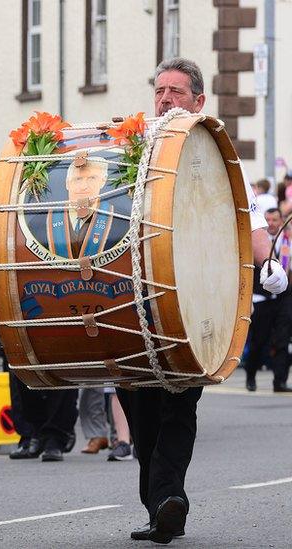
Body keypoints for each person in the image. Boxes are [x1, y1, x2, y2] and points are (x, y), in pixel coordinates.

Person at [116, 57, 286, 545]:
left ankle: (170, 502)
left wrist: (268, 266)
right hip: (134, 304)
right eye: (159, 91)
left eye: (175, 91)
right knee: (143, 415)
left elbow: (246, 220)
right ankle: (161, 508)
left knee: (177, 408)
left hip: (192, 307)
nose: (164, 98)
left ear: (198, 100)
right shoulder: (134, 147)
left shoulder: (216, 154)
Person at [244, 207, 292, 393]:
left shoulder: (287, 241)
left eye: (275, 220)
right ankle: (251, 376)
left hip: (283, 298)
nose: (272, 224)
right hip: (261, 298)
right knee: (259, 340)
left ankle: (279, 381)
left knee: (282, 339)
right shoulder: (255, 243)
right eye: (268, 220)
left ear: (280, 221)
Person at [47, 158, 117, 259]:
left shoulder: (121, 221)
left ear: (103, 181)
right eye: (78, 179)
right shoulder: (40, 221)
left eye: (92, 178)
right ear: (67, 183)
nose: (84, 186)